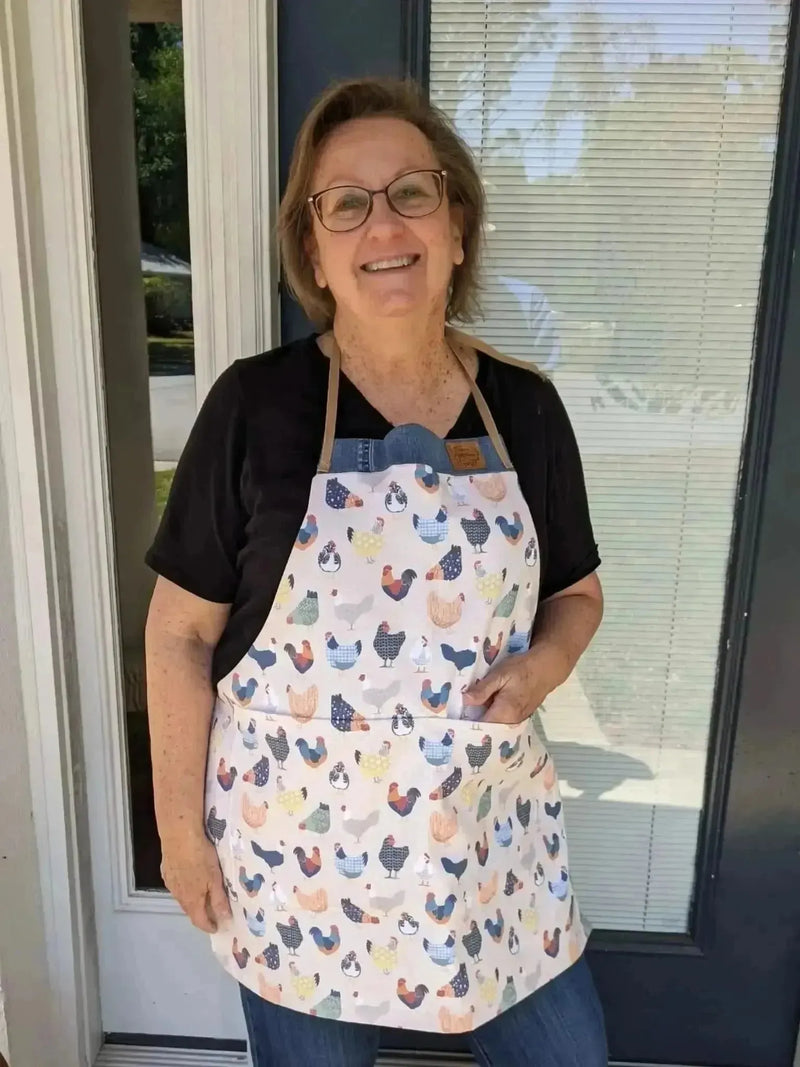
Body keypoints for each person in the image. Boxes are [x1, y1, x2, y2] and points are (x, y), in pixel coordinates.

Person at [144, 76, 607, 1067]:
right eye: (343, 202)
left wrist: (543, 666)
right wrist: (181, 837)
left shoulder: (524, 408)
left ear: (455, 225)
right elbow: (178, 630)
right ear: (313, 248)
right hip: (296, 852)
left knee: (566, 1052)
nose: (380, 221)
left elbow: (574, 592)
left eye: (409, 192)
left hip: (484, 840)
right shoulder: (254, 406)